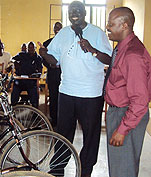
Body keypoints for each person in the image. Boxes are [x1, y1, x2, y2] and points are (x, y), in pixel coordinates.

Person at [38, 1, 112, 176]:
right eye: (71, 11)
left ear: (85, 12)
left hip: (91, 94)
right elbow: (55, 62)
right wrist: (44, 53)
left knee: (91, 136)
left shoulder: (97, 33)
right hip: (67, 93)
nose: (74, 13)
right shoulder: (63, 33)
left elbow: (109, 60)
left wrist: (92, 49)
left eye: (78, 10)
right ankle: (57, 169)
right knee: (63, 135)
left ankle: (86, 170)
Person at [105, 7, 151, 177]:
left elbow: (140, 100)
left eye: (111, 24)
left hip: (126, 114)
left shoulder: (133, 55)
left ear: (124, 25)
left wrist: (122, 129)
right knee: (121, 166)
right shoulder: (122, 48)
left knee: (123, 170)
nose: (107, 27)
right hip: (119, 112)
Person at [42, 22, 62, 127]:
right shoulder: (47, 43)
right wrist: (50, 64)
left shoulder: (65, 42)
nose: (57, 29)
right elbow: (43, 59)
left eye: (59, 27)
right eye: (56, 27)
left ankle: (62, 118)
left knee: (63, 97)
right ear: (53, 29)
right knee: (53, 97)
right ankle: (54, 118)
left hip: (64, 74)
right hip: (53, 74)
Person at [11, 42, 42, 108]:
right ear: (27, 49)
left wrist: (34, 75)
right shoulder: (22, 55)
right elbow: (12, 59)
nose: (30, 49)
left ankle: (35, 111)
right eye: (29, 48)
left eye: (32, 48)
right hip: (20, 81)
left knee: (34, 92)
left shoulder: (38, 58)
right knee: (15, 89)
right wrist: (15, 62)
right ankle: (13, 108)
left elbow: (40, 71)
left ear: (35, 48)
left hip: (31, 81)